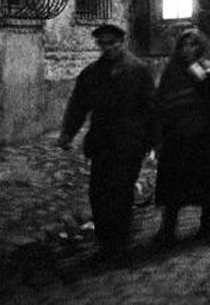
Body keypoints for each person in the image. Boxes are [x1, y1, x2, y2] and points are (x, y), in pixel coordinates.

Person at [58, 23, 155, 265]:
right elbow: (79, 105)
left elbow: (151, 109)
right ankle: (105, 241)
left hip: (130, 142)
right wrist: (68, 133)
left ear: (122, 42)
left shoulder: (139, 71)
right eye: (103, 43)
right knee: (98, 193)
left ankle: (119, 244)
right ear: (98, 45)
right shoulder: (91, 74)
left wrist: (154, 141)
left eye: (113, 42)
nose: (109, 47)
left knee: (121, 192)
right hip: (101, 142)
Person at [152, 28, 210, 247]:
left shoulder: (209, 68)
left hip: (205, 137)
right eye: (183, 45)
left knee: (208, 183)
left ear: (200, 47)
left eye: (193, 45)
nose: (188, 49)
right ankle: (167, 229)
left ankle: (207, 226)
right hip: (177, 137)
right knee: (173, 185)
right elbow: (162, 101)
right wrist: (159, 134)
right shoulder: (172, 71)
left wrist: (202, 75)